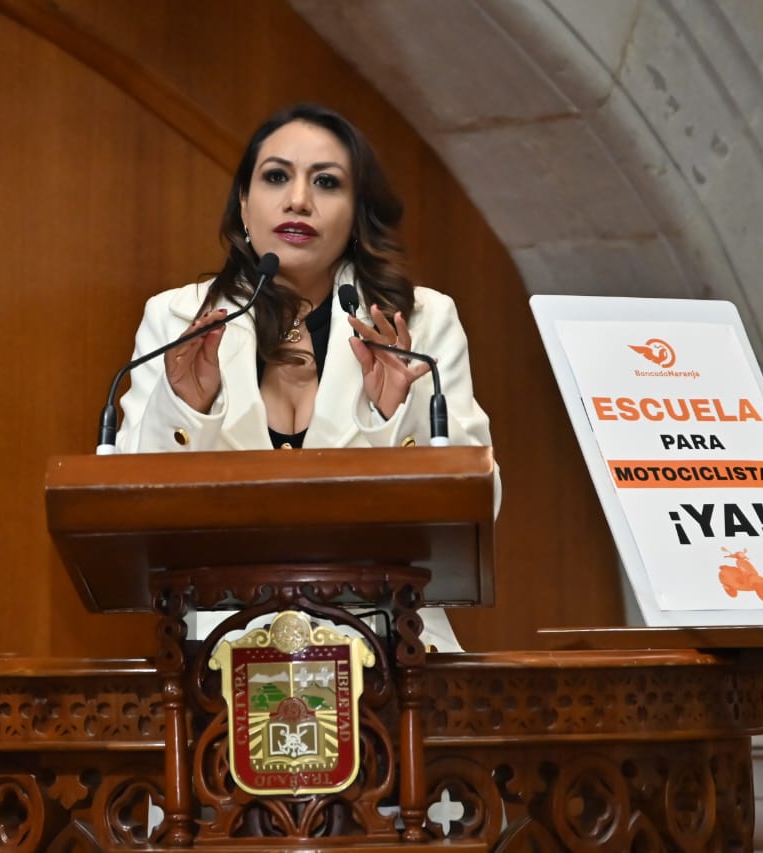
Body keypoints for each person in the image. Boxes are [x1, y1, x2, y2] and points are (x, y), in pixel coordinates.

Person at [116, 103, 498, 650]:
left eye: (326, 182)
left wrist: (393, 413)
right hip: (221, 655)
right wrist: (186, 409)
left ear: (356, 211)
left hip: (392, 648)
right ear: (244, 203)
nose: (298, 199)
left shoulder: (420, 320)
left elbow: (479, 504)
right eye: (276, 177)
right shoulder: (177, 320)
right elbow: (130, 512)